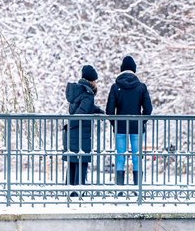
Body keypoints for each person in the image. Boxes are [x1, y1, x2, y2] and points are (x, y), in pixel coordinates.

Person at [106, 55, 152, 188]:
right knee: (137, 157)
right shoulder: (141, 87)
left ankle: (119, 189)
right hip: (137, 127)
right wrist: (141, 121)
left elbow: (109, 110)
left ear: (121, 70)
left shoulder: (115, 87)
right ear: (134, 70)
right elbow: (148, 108)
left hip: (120, 127)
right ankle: (138, 189)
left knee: (120, 157)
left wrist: (115, 123)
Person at [63, 65, 103, 196]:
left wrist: (99, 111)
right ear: (92, 81)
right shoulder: (88, 94)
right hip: (81, 134)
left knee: (73, 163)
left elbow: (84, 107)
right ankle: (78, 194)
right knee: (82, 162)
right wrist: (72, 124)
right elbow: (82, 112)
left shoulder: (79, 91)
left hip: (73, 134)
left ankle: (70, 193)